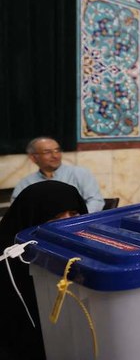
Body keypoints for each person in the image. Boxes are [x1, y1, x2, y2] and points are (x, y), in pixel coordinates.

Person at [0, 181, 89, 360]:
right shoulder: (10, 262)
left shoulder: (81, 248)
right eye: (56, 217)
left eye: (73, 213)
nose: (68, 223)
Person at [10, 137, 105, 213]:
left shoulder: (80, 173)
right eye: (47, 152)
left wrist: (76, 220)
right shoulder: (26, 183)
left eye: (57, 150)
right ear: (33, 157)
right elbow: (16, 211)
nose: (55, 156)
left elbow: (96, 201)